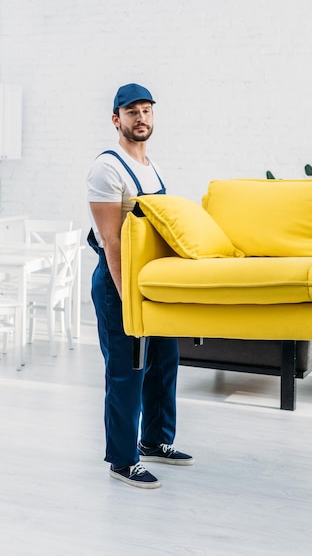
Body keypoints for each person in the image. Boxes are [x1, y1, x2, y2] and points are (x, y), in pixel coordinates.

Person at [87, 83, 194, 489]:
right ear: (117, 119)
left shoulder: (152, 166)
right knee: (127, 371)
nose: (141, 117)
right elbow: (112, 241)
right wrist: (128, 295)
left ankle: (155, 442)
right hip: (120, 286)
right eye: (132, 111)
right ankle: (122, 459)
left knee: (164, 362)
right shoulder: (107, 168)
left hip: (153, 283)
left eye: (147, 110)